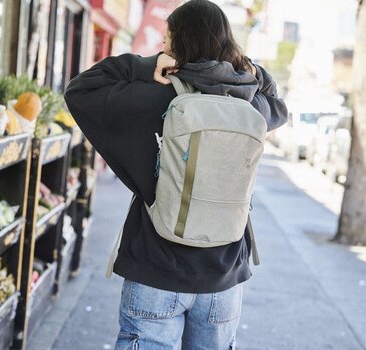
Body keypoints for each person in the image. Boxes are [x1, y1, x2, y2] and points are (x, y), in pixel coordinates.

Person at [64, 0, 288, 348]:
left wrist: (145, 66)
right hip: (224, 276)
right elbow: (278, 103)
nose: (163, 48)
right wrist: (252, 71)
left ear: (178, 44)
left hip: (157, 267)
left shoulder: (156, 95)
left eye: (167, 41)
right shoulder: (249, 104)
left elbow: (81, 89)